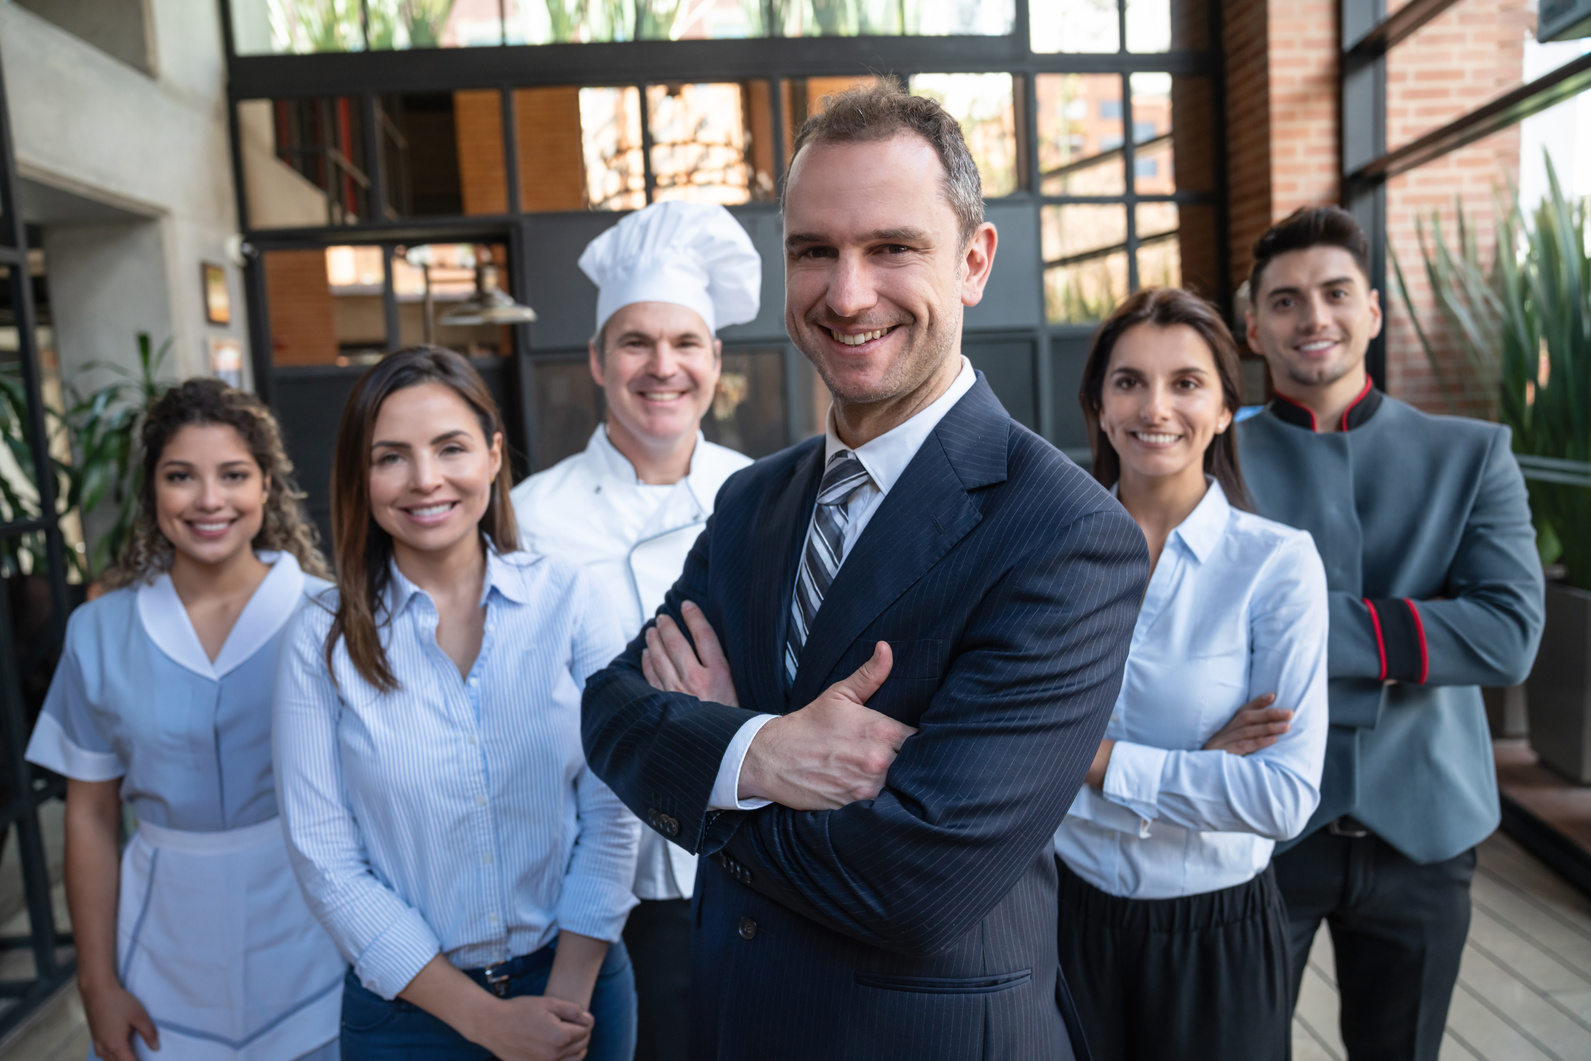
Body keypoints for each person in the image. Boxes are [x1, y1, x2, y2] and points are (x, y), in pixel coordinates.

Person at [581, 82, 1149, 1061]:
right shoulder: (755, 500)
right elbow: (610, 710)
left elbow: (914, 880)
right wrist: (759, 752)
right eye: (814, 251)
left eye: (891, 246)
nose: (846, 294)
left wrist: (711, 762)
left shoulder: (1062, 530)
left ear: (973, 261)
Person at [1235, 206, 1544, 1061]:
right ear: (1254, 326)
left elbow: (1506, 634)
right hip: (1258, 826)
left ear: (1372, 311)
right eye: (1286, 300)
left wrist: (1293, 634)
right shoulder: (1210, 459)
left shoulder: (1472, 454)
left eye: (1335, 293)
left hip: (1427, 823)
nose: (1314, 317)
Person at [273, 347, 640, 1061]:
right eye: (391, 457)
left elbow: (613, 808)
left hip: (579, 988)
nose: (425, 479)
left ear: (495, 455)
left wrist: (563, 1001)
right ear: (360, 474)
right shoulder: (318, 635)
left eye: (450, 447)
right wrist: (485, 1020)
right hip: (409, 1015)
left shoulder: (568, 599)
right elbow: (326, 861)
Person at [24, 379, 344, 1061]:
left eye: (233, 475)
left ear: (265, 487)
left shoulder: (334, 617)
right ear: (152, 493)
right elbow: (90, 816)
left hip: (319, 940)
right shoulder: (98, 632)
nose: (208, 500)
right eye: (180, 476)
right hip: (160, 954)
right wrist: (97, 982)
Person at [510, 200, 759, 1061]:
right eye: (635, 342)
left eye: (685, 342)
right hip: (586, 896)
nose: (663, 366)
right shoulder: (527, 518)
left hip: (742, 869)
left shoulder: (763, 496)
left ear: (716, 361)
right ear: (595, 360)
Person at [1053, 288, 1329, 1060]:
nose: (1154, 407)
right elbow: (1000, 737)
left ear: (1221, 409)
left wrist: (1093, 757)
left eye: (1185, 382)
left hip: (1215, 936)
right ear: (1100, 408)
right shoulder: (1044, 557)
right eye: (1128, 381)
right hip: (1061, 918)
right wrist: (1196, 767)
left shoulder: (1273, 565)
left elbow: (1280, 796)